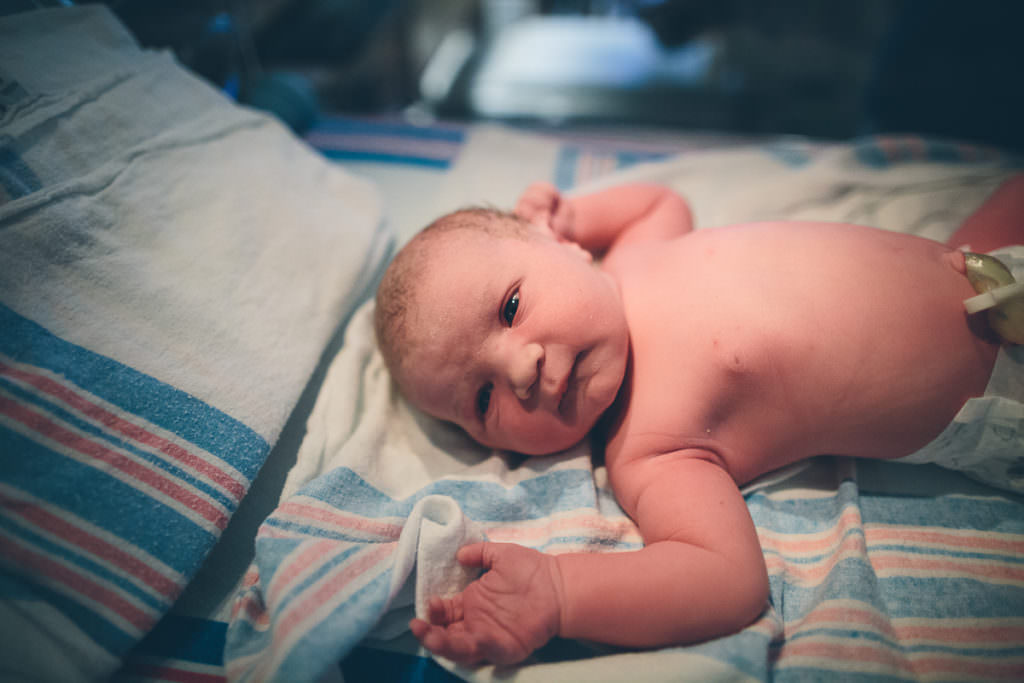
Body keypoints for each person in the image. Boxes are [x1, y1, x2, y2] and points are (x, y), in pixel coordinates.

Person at [373, 176, 1024, 667]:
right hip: (1003, 379)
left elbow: (661, 203)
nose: (517, 370)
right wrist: (561, 589)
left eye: (511, 306)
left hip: (980, 261)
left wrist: (577, 211)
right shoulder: (647, 448)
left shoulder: (632, 259)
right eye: (483, 400)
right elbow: (724, 579)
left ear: (565, 247)